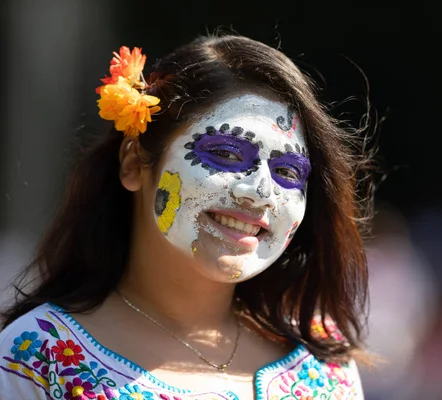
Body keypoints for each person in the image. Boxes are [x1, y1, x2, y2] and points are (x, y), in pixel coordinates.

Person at [0, 33, 372, 399]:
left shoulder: (325, 365)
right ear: (133, 163)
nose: (260, 193)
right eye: (226, 154)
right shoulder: (36, 357)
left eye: (288, 173)